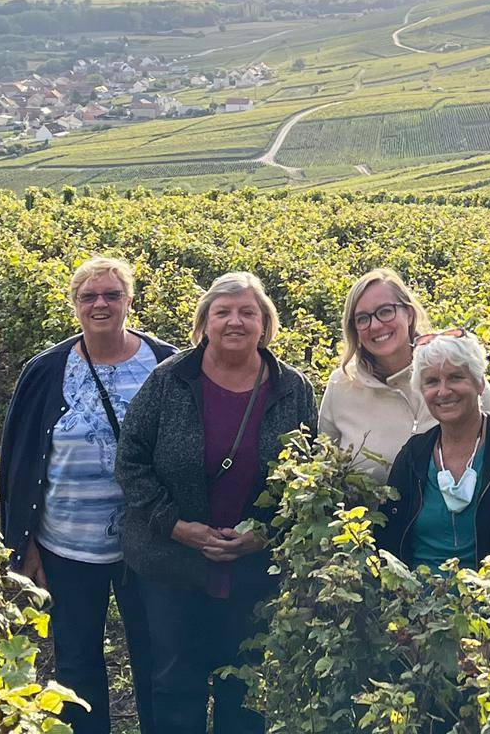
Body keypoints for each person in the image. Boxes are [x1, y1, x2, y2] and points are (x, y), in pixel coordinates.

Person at [115, 271, 317, 734]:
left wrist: (263, 535)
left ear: (265, 324)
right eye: (222, 312)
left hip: (251, 572)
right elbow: (131, 460)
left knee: (244, 690)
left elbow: (309, 476)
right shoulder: (170, 379)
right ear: (204, 323)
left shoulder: (293, 389)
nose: (235, 322)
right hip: (172, 566)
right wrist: (175, 525)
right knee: (175, 682)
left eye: (248, 312)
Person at [0, 256, 174, 734]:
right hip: (66, 545)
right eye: (89, 296)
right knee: (76, 661)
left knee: (158, 657)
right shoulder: (45, 371)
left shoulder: (167, 363)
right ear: (75, 305)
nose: (101, 304)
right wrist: (24, 543)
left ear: (130, 301)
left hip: (150, 544)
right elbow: (17, 460)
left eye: (111, 295)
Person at [377, 329, 490, 669]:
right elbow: (387, 546)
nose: (443, 391)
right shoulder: (414, 456)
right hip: (420, 629)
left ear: (479, 383)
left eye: (456, 377)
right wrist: (407, 627)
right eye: (431, 382)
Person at [319, 267, 490, 477]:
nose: (376, 325)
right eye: (362, 318)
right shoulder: (341, 386)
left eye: (386, 311)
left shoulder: (455, 369)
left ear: (409, 313)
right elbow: (324, 469)